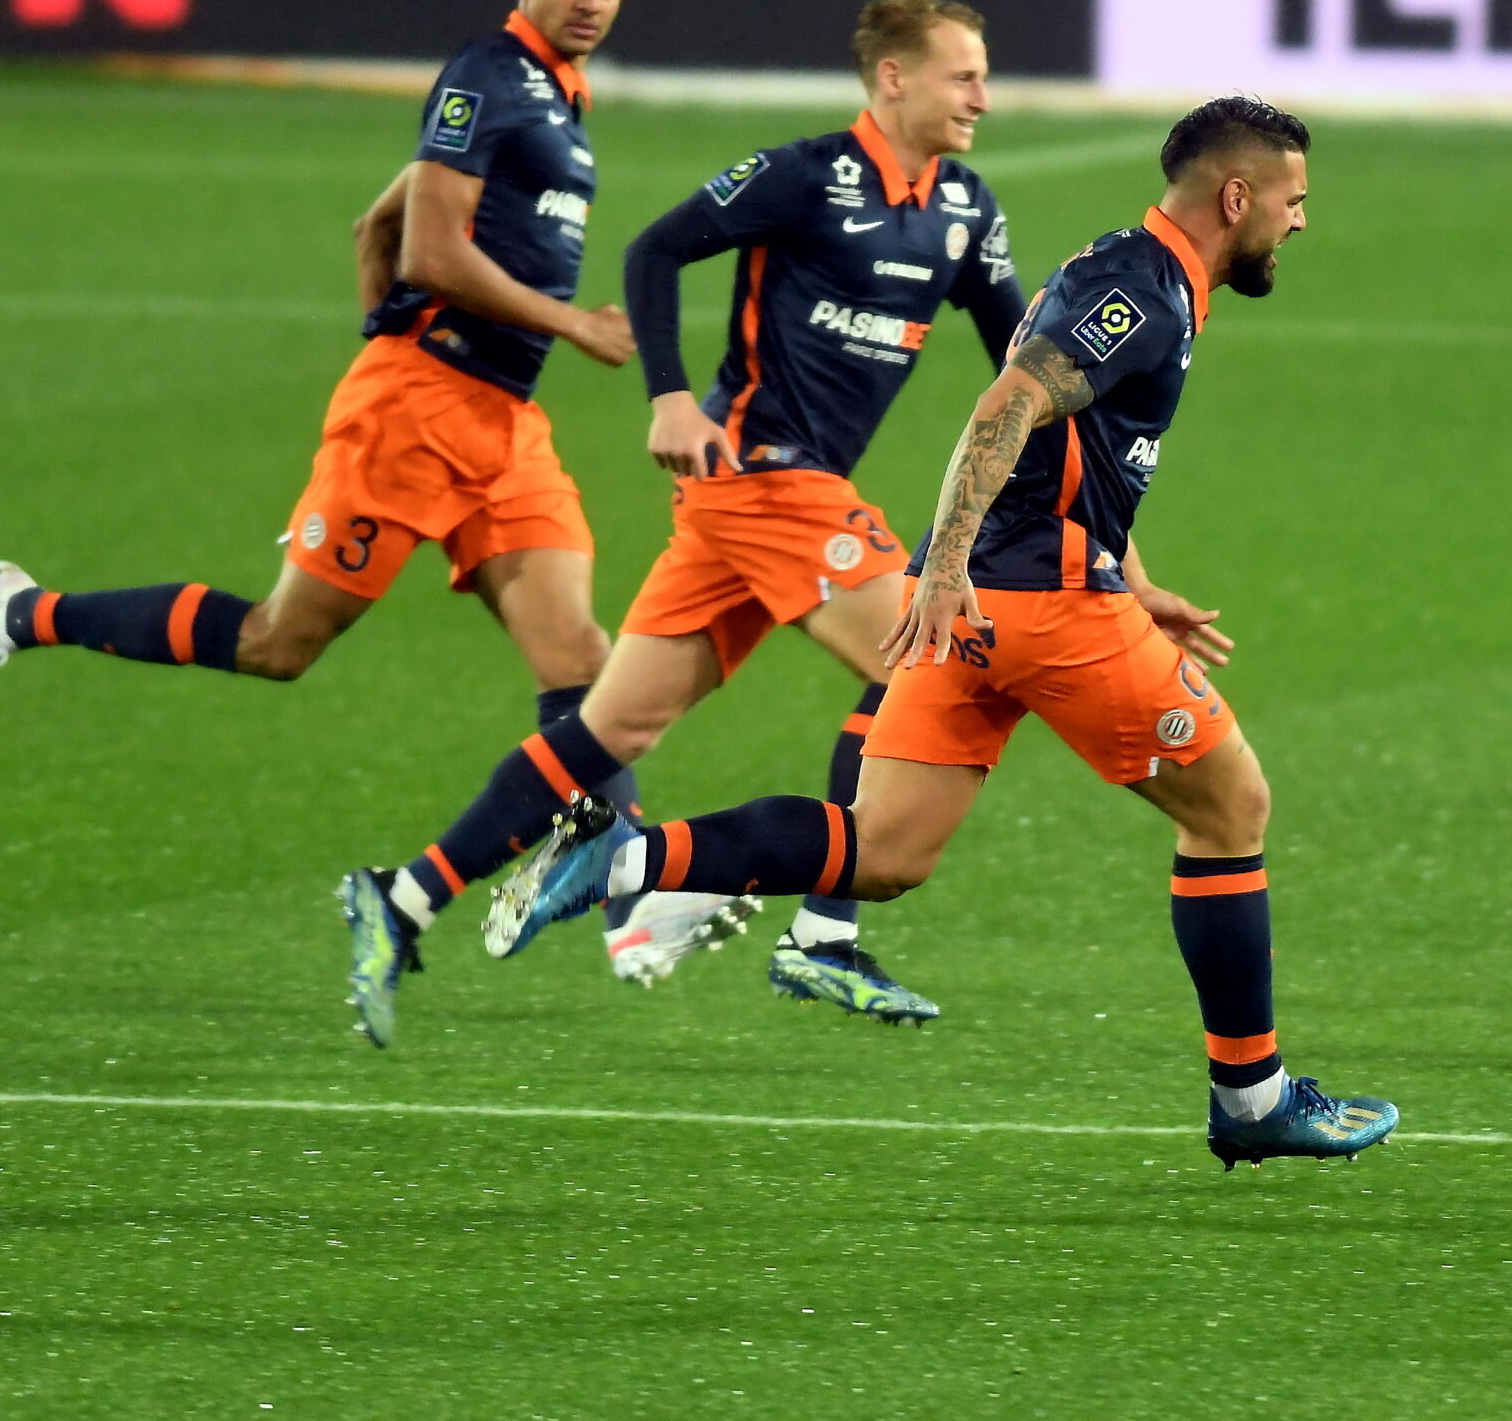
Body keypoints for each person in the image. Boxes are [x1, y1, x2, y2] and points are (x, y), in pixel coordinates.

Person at [487, 96, 1400, 1168]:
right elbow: (1004, 407)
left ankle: (622, 853)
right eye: (1291, 201)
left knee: (882, 849)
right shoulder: (1137, 289)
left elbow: (1077, 452)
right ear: (1234, 195)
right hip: (1038, 606)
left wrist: (1114, 572)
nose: (1297, 222)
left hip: (985, 601)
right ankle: (1251, 1098)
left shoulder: (1144, 275)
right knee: (1231, 803)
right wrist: (960, 563)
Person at [0, 0, 641, 1034]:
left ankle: (605, 870)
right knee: (278, 642)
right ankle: (16, 612)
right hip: (421, 411)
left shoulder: (563, 95)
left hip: (503, 424)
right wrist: (503, 338)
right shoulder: (488, 75)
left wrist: (400, 333)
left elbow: (370, 232)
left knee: (583, 661)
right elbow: (429, 247)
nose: (590, 4)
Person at [338, 0, 1028, 1039]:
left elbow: (1020, 356)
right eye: (962, 74)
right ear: (894, 78)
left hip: (748, 504)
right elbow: (656, 250)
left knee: (614, 723)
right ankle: (814, 936)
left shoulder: (966, 206)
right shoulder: (802, 175)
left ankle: (402, 896)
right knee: (924, 659)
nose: (983, 93)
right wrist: (668, 394)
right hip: (765, 476)